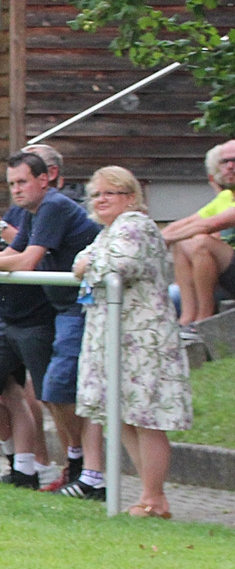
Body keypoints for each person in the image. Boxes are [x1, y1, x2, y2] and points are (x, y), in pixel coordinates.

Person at [0, 151, 99, 488]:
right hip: (12, 313)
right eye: (12, 183)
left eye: (23, 181)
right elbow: (7, 254)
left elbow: (25, 263)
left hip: (65, 311)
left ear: (45, 179)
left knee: (55, 393)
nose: (17, 189)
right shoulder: (32, 212)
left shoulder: (53, 206)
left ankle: (79, 467)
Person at [72, 167, 193, 516]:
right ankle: (149, 496)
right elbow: (83, 260)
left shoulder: (135, 224)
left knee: (145, 417)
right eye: (96, 194)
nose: (101, 200)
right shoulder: (110, 230)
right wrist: (86, 262)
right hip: (116, 337)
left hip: (142, 339)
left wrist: (86, 263)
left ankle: (154, 496)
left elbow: (118, 266)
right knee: (121, 416)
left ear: (130, 196)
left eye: (111, 193)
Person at [164, 139, 235, 330]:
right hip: (227, 272)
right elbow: (187, 223)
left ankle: (204, 320)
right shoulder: (226, 197)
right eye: (225, 161)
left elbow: (210, 225)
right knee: (184, 243)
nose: (230, 166)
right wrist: (148, 237)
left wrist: (164, 240)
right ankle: (187, 319)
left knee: (201, 242)